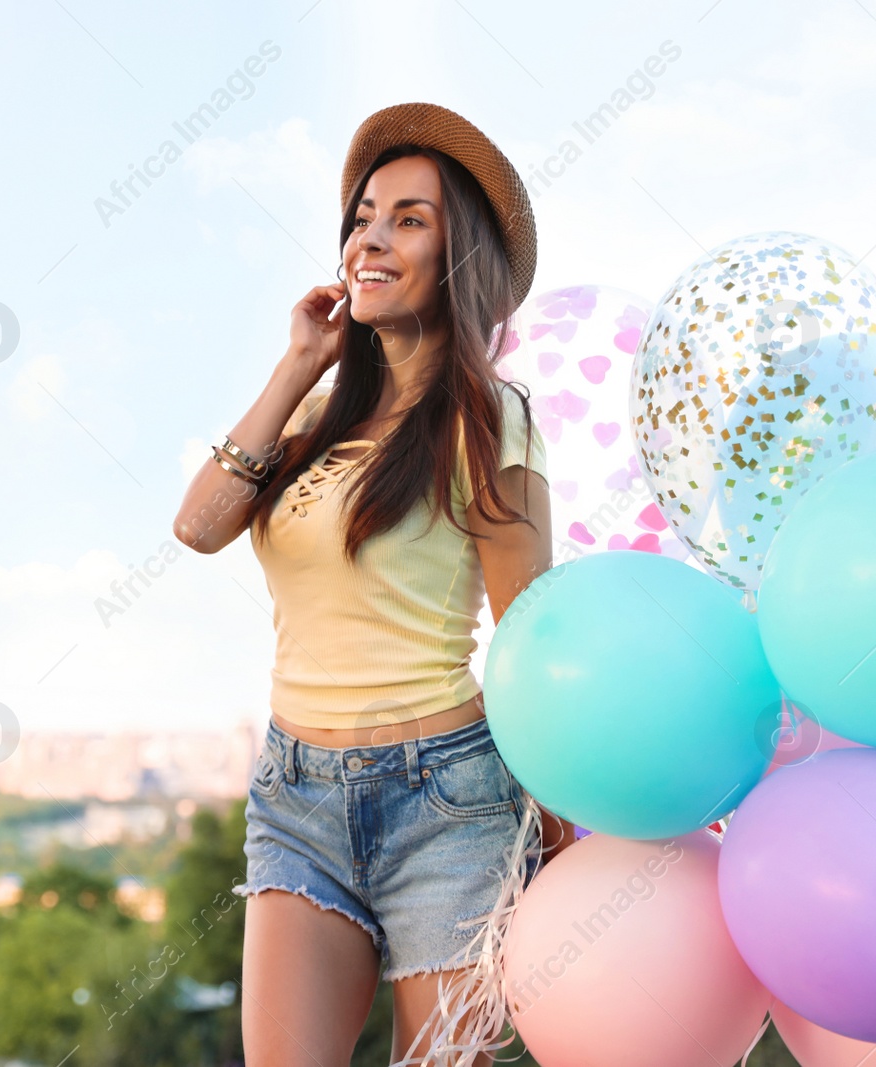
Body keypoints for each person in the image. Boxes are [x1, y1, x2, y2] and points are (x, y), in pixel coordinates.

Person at [172, 102, 578, 1066]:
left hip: (449, 800)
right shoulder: (314, 417)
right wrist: (298, 362)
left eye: (408, 219)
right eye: (362, 217)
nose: (372, 238)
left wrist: (568, 843)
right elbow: (197, 527)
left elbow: (529, 639)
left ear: (458, 255)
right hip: (296, 797)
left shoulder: (491, 424)